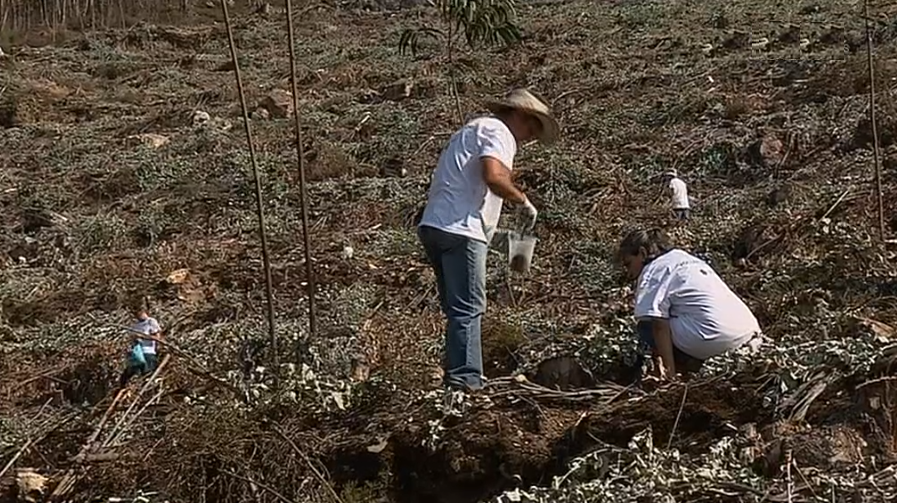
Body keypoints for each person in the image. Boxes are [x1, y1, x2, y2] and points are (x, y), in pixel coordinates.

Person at [418, 88, 559, 392]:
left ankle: (455, 377)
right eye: (532, 128)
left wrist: (513, 246)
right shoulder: (499, 131)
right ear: (520, 115)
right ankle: (467, 382)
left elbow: (470, 207)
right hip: (460, 231)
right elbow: (493, 177)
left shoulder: (471, 130)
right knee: (468, 309)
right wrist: (522, 200)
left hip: (435, 226)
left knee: (457, 310)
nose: (530, 137)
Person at [617, 228, 761, 380]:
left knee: (646, 326)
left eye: (628, 264)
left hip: (715, 339)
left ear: (642, 253)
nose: (628, 272)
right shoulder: (687, 259)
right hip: (750, 332)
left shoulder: (653, 271)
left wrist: (669, 372)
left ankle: (682, 369)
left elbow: (658, 324)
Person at [119, 306, 163, 387]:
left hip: (148, 353)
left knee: (147, 377)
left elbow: (158, 338)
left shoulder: (151, 322)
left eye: (138, 313)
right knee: (125, 377)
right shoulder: (135, 325)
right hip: (137, 354)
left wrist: (142, 336)